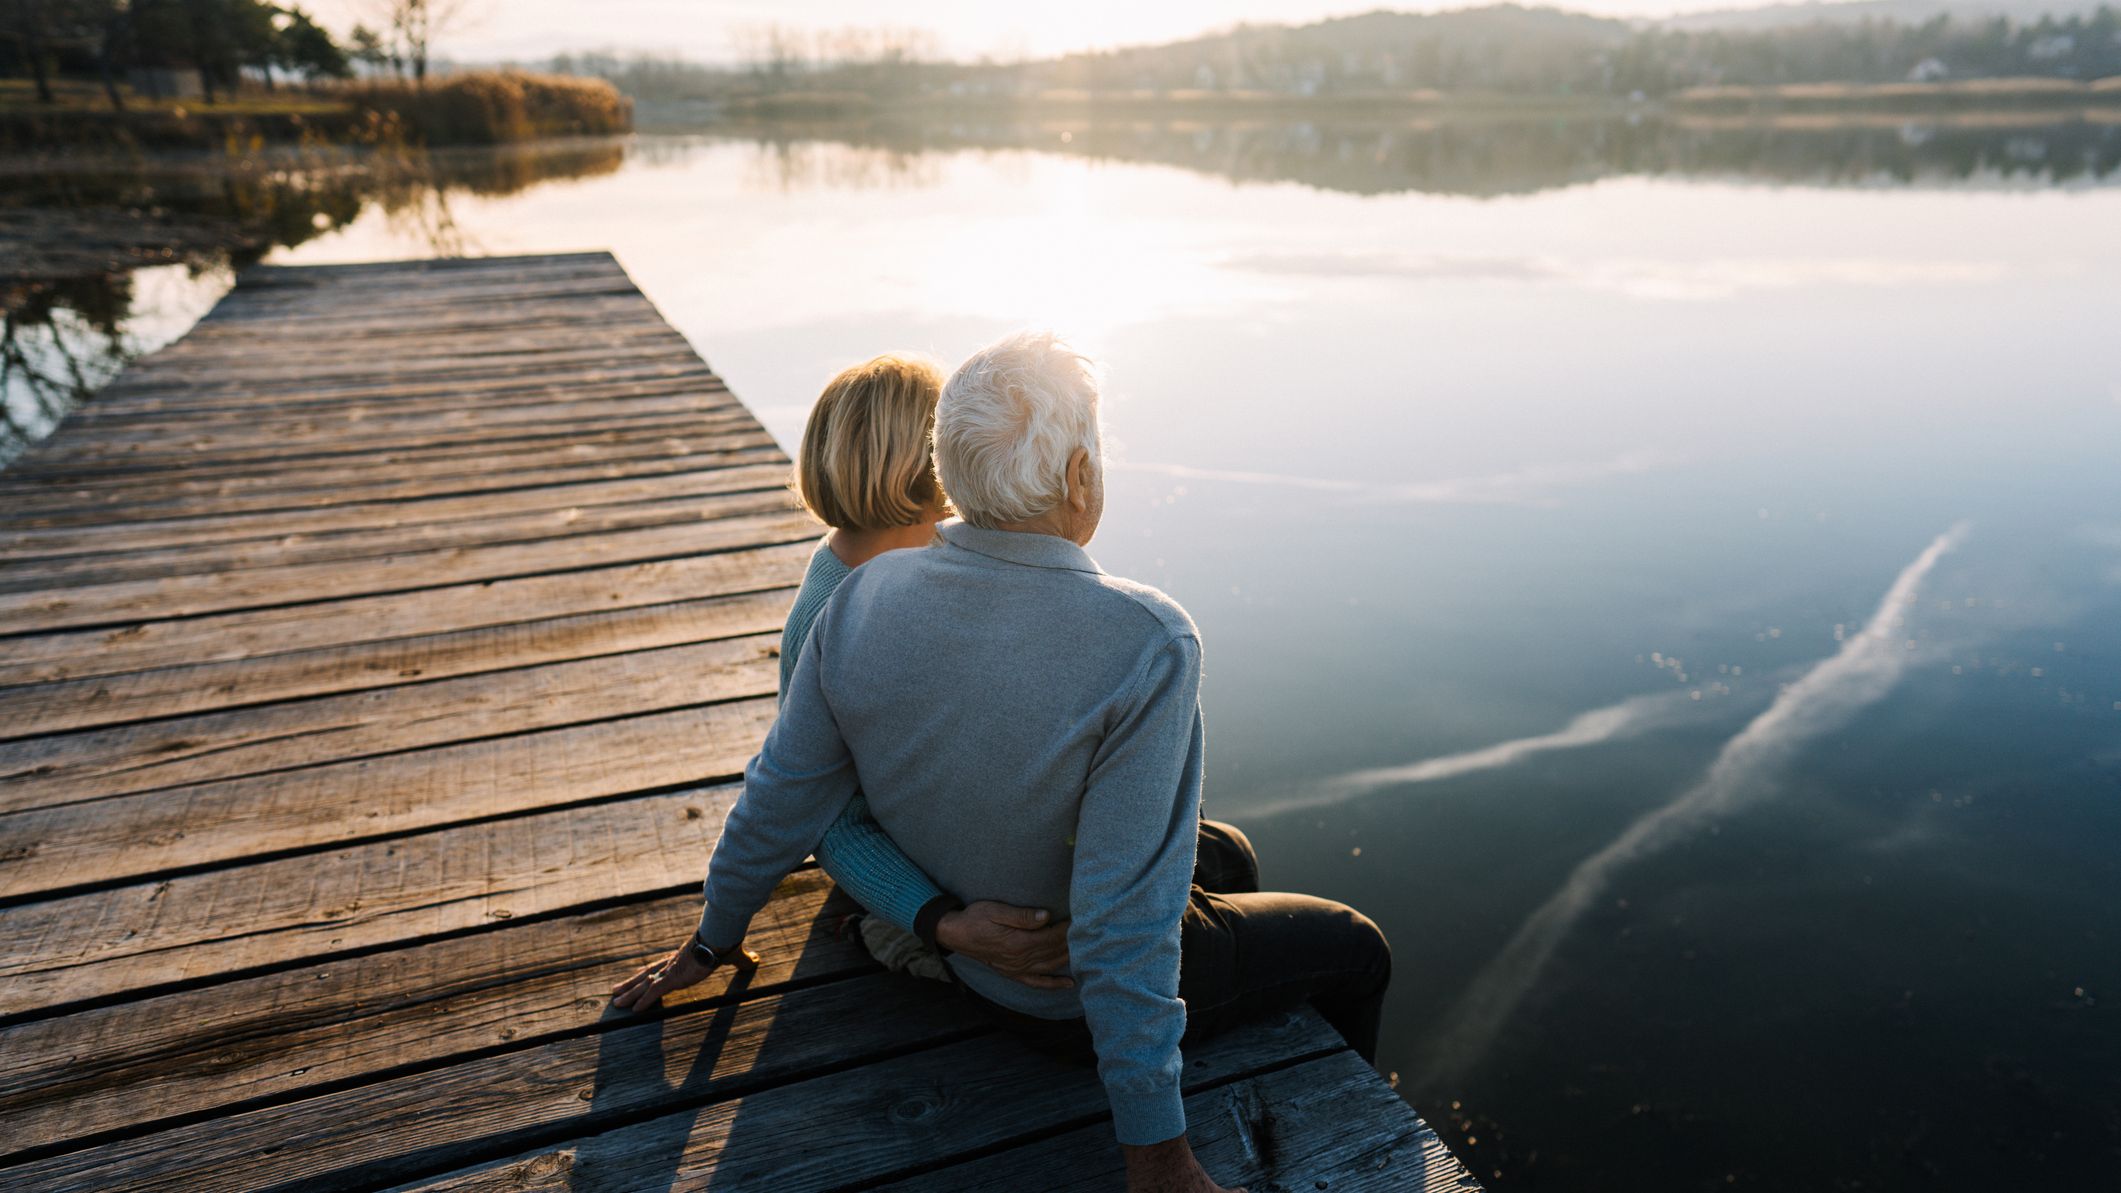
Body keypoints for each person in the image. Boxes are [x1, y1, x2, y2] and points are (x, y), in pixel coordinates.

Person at [613, 333, 1390, 1193]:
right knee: (1356, 947)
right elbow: (1123, 922)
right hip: (1054, 995)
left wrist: (711, 939)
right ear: (1082, 479)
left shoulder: (861, 596)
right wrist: (1156, 1157)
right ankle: (1358, 1135)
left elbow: (776, 802)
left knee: (1227, 852)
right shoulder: (1147, 638)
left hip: (976, 937)